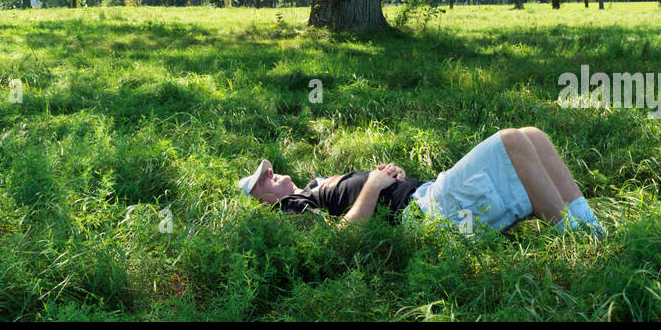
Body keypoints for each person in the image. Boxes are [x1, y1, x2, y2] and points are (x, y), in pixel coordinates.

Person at [237, 126, 605, 236]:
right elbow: (343, 238)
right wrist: (373, 186)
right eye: (262, 180)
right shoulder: (293, 208)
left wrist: (387, 175)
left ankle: (591, 229)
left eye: (265, 169)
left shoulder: (312, 187)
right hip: (425, 215)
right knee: (511, 140)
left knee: (533, 136)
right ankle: (581, 237)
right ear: (266, 201)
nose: (270, 172)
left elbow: (367, 194)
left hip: (426, 194)